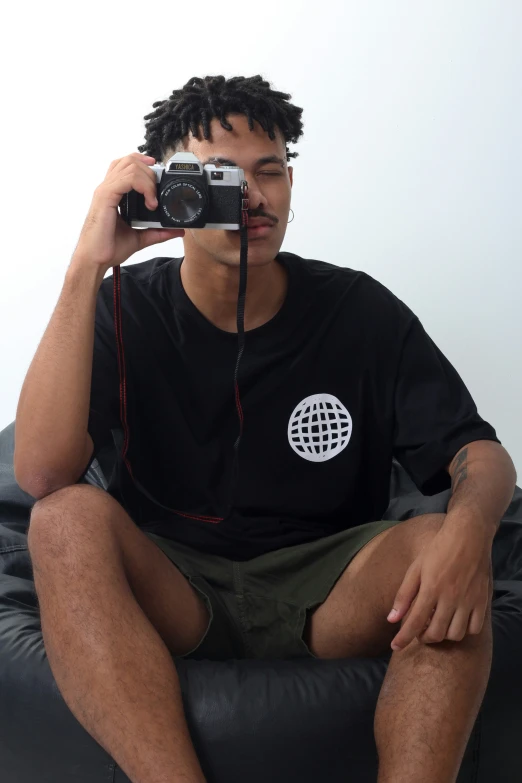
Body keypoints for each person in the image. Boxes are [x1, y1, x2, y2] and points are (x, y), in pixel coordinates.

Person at [14, 74, 517, 783]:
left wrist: (470, 536)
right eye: (221, 178)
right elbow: (39, 474)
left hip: (331, 589)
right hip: (174, 582)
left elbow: (479, 452)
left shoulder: (359, 310)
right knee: (61, 520)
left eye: (270, 171)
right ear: (167, 187)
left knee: (444, 543)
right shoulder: (122, 308)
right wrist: (89, 262)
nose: (252, 197)